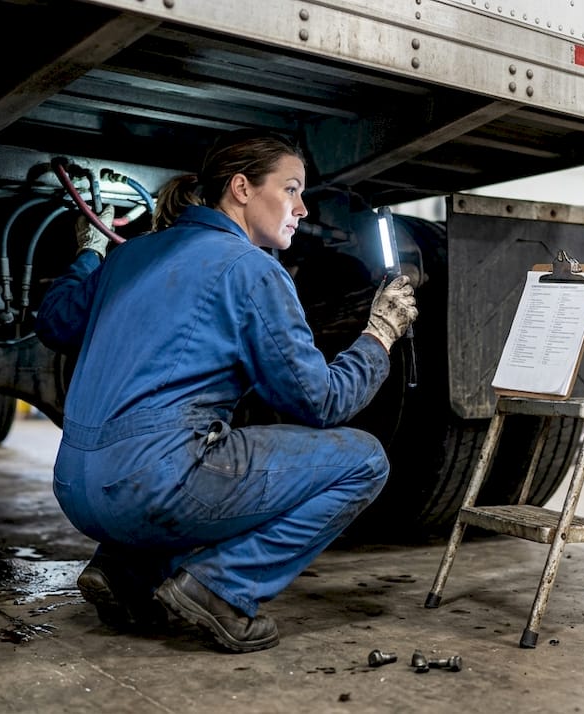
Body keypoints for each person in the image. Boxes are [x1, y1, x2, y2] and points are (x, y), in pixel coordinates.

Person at [35, 130, 418, 653]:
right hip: (151, 488)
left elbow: (54, 322)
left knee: (216, 447)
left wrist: (90, 253)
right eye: (291, 189)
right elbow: (319, 403)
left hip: (76, 488)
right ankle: (222, 588)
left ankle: (125, 571)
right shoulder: (251, 269)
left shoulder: (129, 256)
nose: (302, 208)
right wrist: (379, 335)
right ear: (241, 188)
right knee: (364, 461)